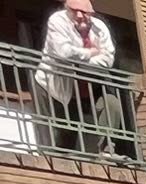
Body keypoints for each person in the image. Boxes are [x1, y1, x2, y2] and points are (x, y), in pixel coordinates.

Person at [35, 0, 123, 155]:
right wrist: (90, 53)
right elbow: (63, 53)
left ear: (92, 12)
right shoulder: (57, 20)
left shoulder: (100, 28)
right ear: (66, 9)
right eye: (73, 10)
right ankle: (54, 160)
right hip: (54, 86)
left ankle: (105, 150)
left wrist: (78, 61)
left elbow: (107, 60)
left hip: (88, 88)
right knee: (63, 132)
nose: (79, 15)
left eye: (84, 12)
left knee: (112, 105)